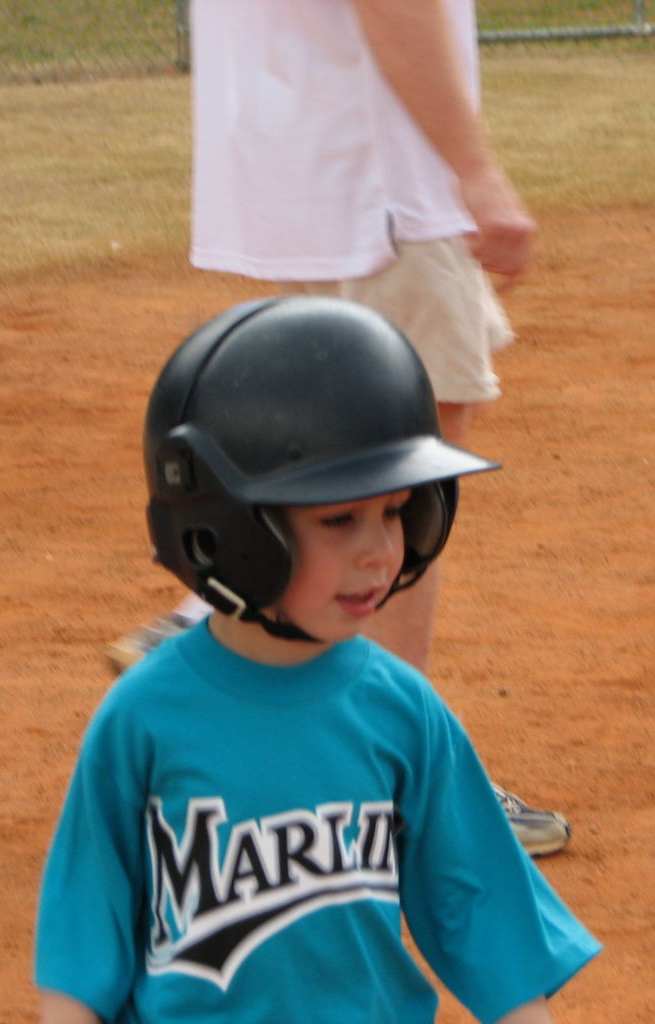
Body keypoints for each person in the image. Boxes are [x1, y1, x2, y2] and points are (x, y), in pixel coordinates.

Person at [38, 297, 600, 1024]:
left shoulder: (401, 708)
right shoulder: (144, 716)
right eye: (339, 519)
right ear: (227, 531)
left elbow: (479, 913)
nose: (379, 550)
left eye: (396, 510)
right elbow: (86, 935)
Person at [105, 0, 572, 855]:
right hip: (383, 177)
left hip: (306, 157)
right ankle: (394, 783)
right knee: (402, 478)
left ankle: (203, 634)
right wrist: (474, 168)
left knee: (339, 458)